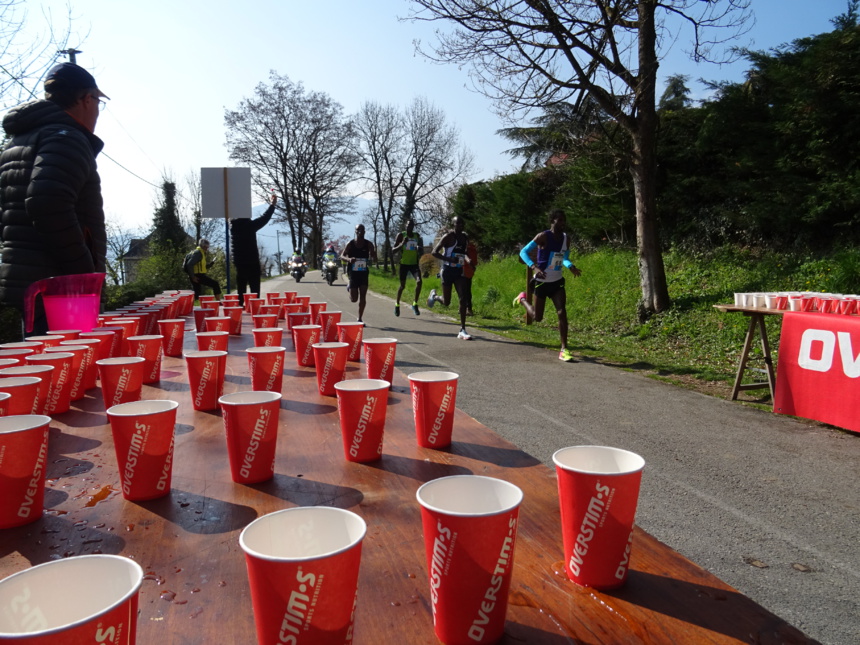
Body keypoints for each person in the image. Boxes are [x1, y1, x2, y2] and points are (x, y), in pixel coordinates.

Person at [0, 62, 109, 336]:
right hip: (60, 291)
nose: (98, 111)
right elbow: (47, 202)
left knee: (42, 365)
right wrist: (83, 273)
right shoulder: (67, 137)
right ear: (86, 99)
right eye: (98, 101)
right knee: (68, 371)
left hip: (26, 281)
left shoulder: (20, 141)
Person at [513, 209, 582, 362]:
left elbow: (564, 258)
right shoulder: (543, 236)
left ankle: (564, 348)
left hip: (557, 282)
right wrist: (534, 267)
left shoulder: (566, 239)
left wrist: (571, 266)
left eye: (564, 220)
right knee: (537, 318)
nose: (563, 224)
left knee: (562, 312)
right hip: (541, 282)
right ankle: (523, 298)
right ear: (552, 221)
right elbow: (523, 252)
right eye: (560, 220)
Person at [426, 215, 474, 340]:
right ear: (453, 224)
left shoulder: (464, 237)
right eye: (457, 224)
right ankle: (435, 297)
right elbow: (434, 252)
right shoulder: (448, 237)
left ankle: (462, 330)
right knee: (446, 302)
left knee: (463, 298)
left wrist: (469, 261)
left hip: (458, 270)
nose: (460, 226)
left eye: (462, 224)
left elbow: (464, 253)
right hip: (447, 271)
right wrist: (449, 259)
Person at [230, 192, 277, 307]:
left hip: (239, 262)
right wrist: (272, 205)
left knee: (241, 290)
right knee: (255, 291)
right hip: (252, 262)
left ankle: (240, 311)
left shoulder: (233, 227)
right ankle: (255, 309)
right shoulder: (249, 226)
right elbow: (265, 218)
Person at [341, 224, 376, 323]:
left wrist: (373, 257)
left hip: (364, 273)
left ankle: (360, 318)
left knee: (363, 296)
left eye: (361, 230)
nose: (360, 231)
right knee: (354, 299)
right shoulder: (351, 243)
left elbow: (374, 258)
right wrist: (349, 259)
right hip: (353, 273)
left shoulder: (368, 244)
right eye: (358, 230)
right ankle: (349, 287)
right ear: (355, 231)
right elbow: (342, 256)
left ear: (364, 231)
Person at [392, 218, 424, 317]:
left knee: (419, 282)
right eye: (408, 225)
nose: (410, 227)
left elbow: (421, 251)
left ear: (413, 226)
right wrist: (402, 244)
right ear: (405, 225)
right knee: (402, 286)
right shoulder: (401, 235)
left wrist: (419, 248)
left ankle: (415, 304)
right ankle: (397, 305)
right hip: (404, 264)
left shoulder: (417, 236)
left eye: (412, 225)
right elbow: (393, 250)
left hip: (414, 264)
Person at [462, 240, 479, 316]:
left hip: (463, 270)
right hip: (470, 271)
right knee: (468, 290)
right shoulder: (472, 247)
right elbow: (475, 262)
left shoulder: (463, 247)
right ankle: (468, 309)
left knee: (463, 291)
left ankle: (467, 308)